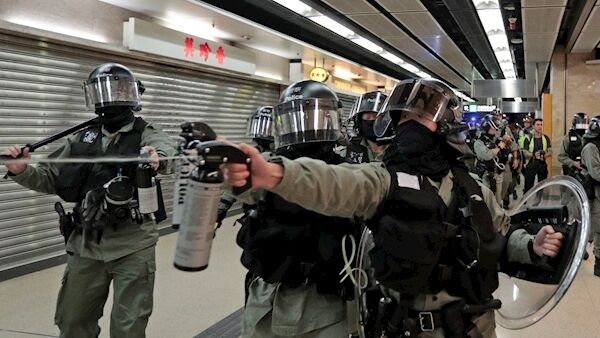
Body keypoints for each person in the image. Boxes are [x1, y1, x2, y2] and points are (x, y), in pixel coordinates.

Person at [225, 78, 564, 337]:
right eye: (402, 122)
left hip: (472, 325)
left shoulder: (473, 189)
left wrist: (531, 245)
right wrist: (275, 173)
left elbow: (502, 235)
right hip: (402, 326)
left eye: (420, 122)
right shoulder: (384, 181)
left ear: (444, 128)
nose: (409, 131)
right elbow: (333, 184)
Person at [2, 63, 176, 338]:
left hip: (132, 244)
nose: (110, 97)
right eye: (102, 91)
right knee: (72, 322)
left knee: (128, 327)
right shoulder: (82, 138)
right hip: (86, 245)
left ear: (131, 94)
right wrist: (21, 171)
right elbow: (49, 177)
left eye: (118, 89)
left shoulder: (145, 132)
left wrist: (156, 157)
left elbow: (166, 152)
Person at [235, 80, 367, 337]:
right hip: (265, 297)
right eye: (296, 117)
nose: (305, 127)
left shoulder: (345, 175)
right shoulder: (270, 171)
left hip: (322, 306)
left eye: (313, 117)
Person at [345, 90, 389, 162]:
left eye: (376, 116)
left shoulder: (400, 151)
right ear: (359, 121)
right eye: (367, 117)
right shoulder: (348, 150)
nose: (372, 120)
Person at [474, 115, 509, 204]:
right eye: (493, 128)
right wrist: (499, 148)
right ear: (486, 128)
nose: (495, 130)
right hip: (485, 175)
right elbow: (487, 155)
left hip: (497, 173)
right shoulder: (479, 142)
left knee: (497, 199)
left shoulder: (495, 140)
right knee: (488, 199)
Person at [581, 116, 600, 276]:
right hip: (592, 192)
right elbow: (596, 172)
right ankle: (578, 251)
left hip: (596, 192)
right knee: (591, 228)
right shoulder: (591, 148)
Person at [523, 118, 552, 193]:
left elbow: (550, 150)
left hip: (542, 164)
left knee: (541, 186)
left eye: (541, 125)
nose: (540, 127)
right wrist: (533, 155)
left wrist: (545, 154)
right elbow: (525, 152)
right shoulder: (528, 138)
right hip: (531, 164)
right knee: (528, 186)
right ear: (533, 126)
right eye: (538, 125)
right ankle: (525, 202)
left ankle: (538, 201)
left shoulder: (545, 138)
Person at [558, 112, 588, 177]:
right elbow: (560, 156)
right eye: (582, 123)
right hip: (571, 173)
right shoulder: (568, 138)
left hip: (586, 173)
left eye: (585, 123)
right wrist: (573, 163)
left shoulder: (589, 138)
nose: (584, 126)